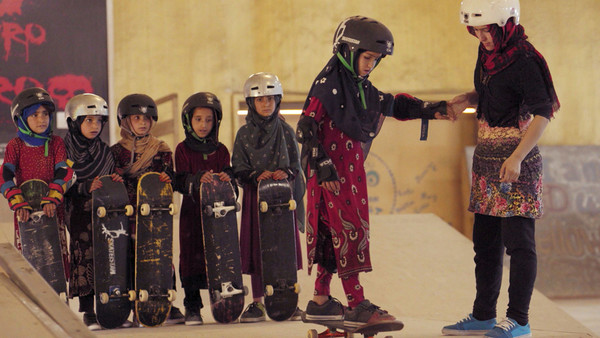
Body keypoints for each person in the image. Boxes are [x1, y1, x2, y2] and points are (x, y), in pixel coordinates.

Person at [296, 16, 450, 328]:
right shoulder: (328, 87)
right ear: (347, 51)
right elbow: (305, 127)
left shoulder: (359, 88)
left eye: (375, 60)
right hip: (331, 176)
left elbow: (391, 105)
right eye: (367, 58)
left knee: (331, 234)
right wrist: (323, 164)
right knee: (349, 231)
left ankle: (321, 300)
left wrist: (432, 109)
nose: (370, 65)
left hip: (347, 176)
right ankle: (356, 304)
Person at [442, 1, 560, 337]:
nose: (482, 37)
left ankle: (518, 320)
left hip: (517, 165)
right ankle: (483, 316)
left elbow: (542, 113)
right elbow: (496, 95)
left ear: (506, 24)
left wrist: (518, 157)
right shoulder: (488, 54)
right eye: (476, 31)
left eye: (487, 30)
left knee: (519, 245)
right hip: (488, 161)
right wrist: (469, 97)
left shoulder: (524, 59)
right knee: (485, 243)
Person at [232, 72, 305, 323]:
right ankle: (257, 303)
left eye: (271, 99)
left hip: (283, 203)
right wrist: (255, 175)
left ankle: (288, 301)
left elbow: (296, 164)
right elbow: (238, 168)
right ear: (251, 103)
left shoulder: (285, 130)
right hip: (256, 200)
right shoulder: (243, 135)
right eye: (261, 100)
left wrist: (285, 172)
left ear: (278, 101)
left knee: (283, 249)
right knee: (258, 250)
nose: (266, 104)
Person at [110, 93, 185, 325]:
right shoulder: (115, 152)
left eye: (146, 118)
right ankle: (131, 307)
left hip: (156, 216)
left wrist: (167, 177)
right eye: (136, 118)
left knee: (160, 259)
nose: (142, 122)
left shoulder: (162, 149)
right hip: (127, 217)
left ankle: (166, 306)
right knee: (129, 259)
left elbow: (170, 179)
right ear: (125, 122)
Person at [0, 87, 75, 292]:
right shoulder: (15, 146)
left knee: (54, 258)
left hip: (52, 208)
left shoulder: (56, 142)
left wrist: (52, 197)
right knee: (30, 259)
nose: (42, 119)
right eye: (34, 115)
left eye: (45, 114)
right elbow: (4, 175)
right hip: (25, 212)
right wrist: (16, 201)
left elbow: (64, 172)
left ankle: (60, 299)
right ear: (21, 119)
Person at [63, 93, 128, 330]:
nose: (95, 126)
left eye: (99, 121)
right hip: (80, 214)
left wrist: (114, 179)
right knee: (86, 256)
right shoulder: (64, 150)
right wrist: (84, 186)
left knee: (111, 256)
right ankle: (89, 311)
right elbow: (61, 183)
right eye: (88, 120)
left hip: (105, 213)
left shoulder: (104, 151)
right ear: (74, 122)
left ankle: (111, 308)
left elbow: (110, 178)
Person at [172, 92, 234, 325]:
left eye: (208, 120)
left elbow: (229, 174)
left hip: (218, 216)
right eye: (198, 119)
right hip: (192, 215)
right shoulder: (182, 149)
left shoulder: (221, 150)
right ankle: (192, 307)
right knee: (191, 258)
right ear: (189, 121)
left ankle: (222, 302)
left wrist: (227, 177)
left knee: (218, 257)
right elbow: (180, 180)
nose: (203, 125)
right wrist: (198, 179)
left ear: (216, 122)